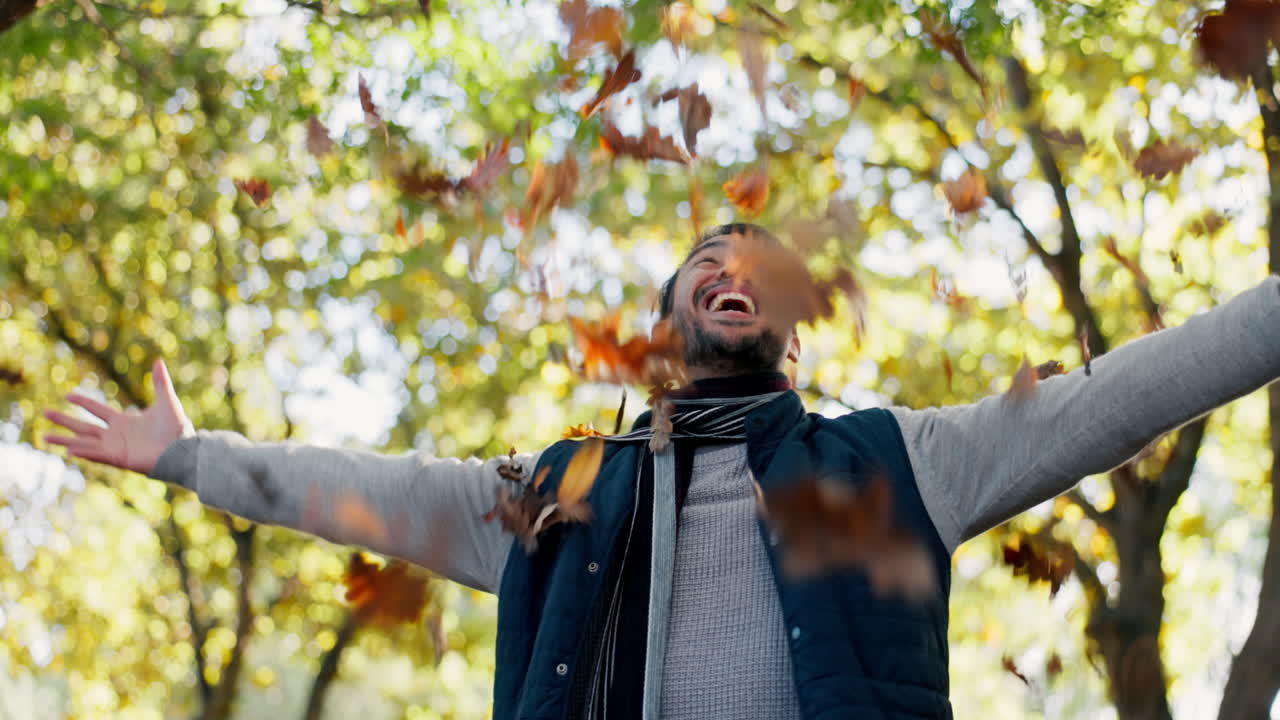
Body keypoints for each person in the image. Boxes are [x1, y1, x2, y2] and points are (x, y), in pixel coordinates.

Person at [44, 223, 1280, 719]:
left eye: (754, 265)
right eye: (704, 263)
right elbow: (372, 489)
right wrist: (192, 458)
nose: (730, 269)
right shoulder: (567, 489)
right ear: (668, 318)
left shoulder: (895, 463)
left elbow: (1119, 397)